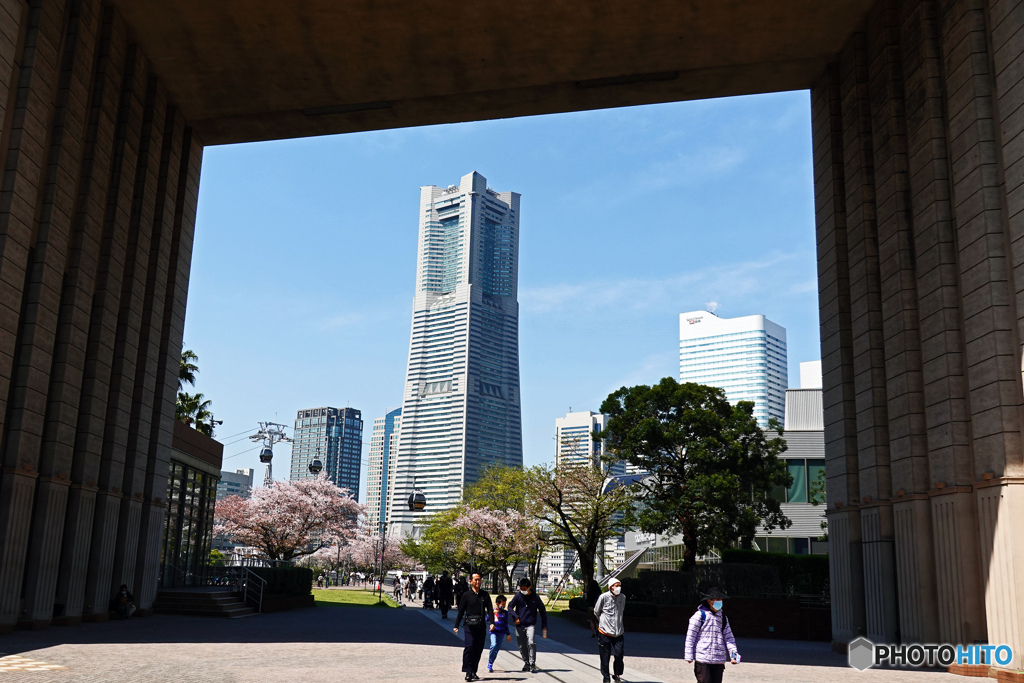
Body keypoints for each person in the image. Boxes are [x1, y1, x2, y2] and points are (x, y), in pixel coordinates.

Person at [684, 587, 740, 683]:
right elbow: (690, 637)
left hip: (719, 659)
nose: (720, 602)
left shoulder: (723, 617)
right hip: (703, 659)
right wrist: (689, 655)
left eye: (721, 600)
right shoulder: (699, 616)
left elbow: (729, 637)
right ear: (709, 601)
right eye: (717, 600)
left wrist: (734, 655)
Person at [453, 573, 493, 682]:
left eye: (479, 580)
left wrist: (492, 623)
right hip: (469, 626)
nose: (478, 582)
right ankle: (467, 671)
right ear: (470, 581)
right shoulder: (466, 595)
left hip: (480, 626)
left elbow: (490, 609)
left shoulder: (485, 595)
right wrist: (456, 625)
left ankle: (473, 671)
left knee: (478, 649)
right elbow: (461, 611)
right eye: (475, 580)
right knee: (469, 647)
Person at [507, 577, 548, 673]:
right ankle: (526, 663)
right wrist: (515, 617)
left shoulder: (535, 597)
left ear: (529, 587)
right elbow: (509, 607)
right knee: (521, 646)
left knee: (531, 643)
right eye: (521, 588)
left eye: (524, 589)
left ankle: (532, 664)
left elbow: (543, 611)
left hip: (530, 624)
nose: (523, 591)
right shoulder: (518, 596)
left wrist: (544, 626)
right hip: (519, 625)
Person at [593, 577, 626, 683]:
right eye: (616, 586)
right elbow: (596, 611)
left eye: (619, 585)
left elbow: (622, 610)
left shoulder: (622, 597)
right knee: (605, 657)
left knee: (619, 654)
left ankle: (617, 674)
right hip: (604, 633)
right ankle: (606, 678)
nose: (618, 588)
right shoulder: (603, 597)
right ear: (610, 587)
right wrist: (603, 622)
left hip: (618, 632)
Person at [487, 594, 513, 673]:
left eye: (505, 604)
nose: (504, 606)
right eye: (502, 604)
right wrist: (491, 613)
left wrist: (508, 634)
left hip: (501, 633)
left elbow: (506, 624)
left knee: (496, 650)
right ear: (497, 604)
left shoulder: (505, 613)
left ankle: (490, 662)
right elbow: (486, 619)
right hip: (494, 632)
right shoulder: (493, 611)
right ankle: (490, 663)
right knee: (493, 645)